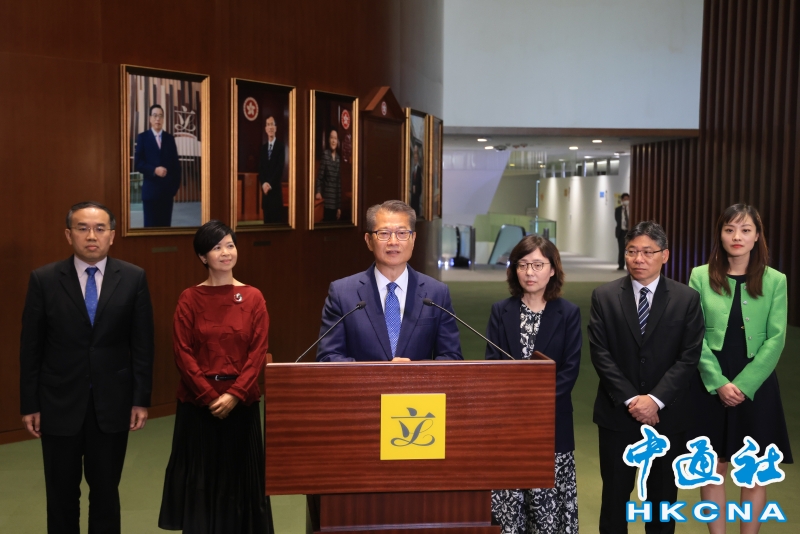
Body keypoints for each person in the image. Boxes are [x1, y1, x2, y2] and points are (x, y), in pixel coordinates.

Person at [20, 201, 155, 533]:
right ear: (69, 235)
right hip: (58, 404)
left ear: (112, 235)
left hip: (112, 404)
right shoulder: (44, 279)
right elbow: (31, 349)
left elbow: (142, 345)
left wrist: (140, 399)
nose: (91, 236)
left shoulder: (133, 278)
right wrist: (30, 404)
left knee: (106, 494)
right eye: (82, 228)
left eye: (99, 228)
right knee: (61, 495)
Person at [588, 220, 704, 534]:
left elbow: (689, 356)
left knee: (662, 501)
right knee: (615, 499)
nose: (638, 259)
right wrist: (632, 400)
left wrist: (655, 400)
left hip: (667, 416)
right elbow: (600, 353)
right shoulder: (604, 296)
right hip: (617, 414)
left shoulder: (686, 299)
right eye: (632, 251)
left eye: (647, 252)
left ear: (664, 255)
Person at [158, 220, 274, 533]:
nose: (226, 253)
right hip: (198, 405)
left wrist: (234, 394)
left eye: (230, 245)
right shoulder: (189, 298)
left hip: (242, 404)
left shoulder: (253, 297)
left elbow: (258, 352)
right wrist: (209, 397)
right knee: (201, 480)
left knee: (241, 479)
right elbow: (182, 353)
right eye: (217, 247)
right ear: (202, 256)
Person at [688, 204, 792, 534]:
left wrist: (744, 385)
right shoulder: (700, 276)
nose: (737, 236)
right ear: (720, 234)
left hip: (757, 385)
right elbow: (693, 335)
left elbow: (776, 338)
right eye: (729, 229)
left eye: (746, 230)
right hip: (710, 383)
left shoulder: (776, 280)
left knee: (755, 471)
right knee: (712, 469)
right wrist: (718, 382)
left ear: (757, 236)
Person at [485, 235, 581, 534]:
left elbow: (569, 370)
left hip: (551, 423)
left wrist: (535, 404)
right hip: (508, 425)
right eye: (522, 264)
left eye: (538, 265)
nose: (529, 272)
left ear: (552, 269)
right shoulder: (501, 311)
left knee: (547, 512)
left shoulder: (568, 313)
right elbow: (492, 365)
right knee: (509, 509)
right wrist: (514, 405)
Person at [316, 200, 462, 362]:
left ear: (413, 239)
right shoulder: (342, 294)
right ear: (369, 241)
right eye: (384, 233)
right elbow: (328, 357)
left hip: (417, 380)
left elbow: (452, 357)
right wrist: (380, 373)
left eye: (402, 233)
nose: (393, 242)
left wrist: (414, 371)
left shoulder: (436, 293)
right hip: (366, 380)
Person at [134, 104, 182, 227]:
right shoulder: (143, 138)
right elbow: (138, 163)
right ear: (150, 118)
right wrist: (154, 170)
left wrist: (173, 190)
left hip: (167, 195)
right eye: (155, 116)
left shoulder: (170, 139)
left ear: (163, 119)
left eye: (160, 116)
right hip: (150, 194)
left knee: (165, 230)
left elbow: (176, 167)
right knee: (150, 231)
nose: (158, 119)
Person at [258, 115, 285, 223]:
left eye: (272, 124)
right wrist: (264, 184)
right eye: (268, 125)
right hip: (266, 197)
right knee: (266, 227)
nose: (270, 127)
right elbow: (260, 169)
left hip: (276, 196)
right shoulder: (263, 148)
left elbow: (279, 168)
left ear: (275, 128)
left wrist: (269, 185)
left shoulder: (280, 147)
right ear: (266, 129)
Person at [315, 128, 341, 222]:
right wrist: (318, 192)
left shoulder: (338, 158)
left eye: (335, 138)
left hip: (335, 203)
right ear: (329, 140)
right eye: (331, 138)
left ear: (337, 141)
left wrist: (339, 207)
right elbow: (319, 178)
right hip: (326, 202)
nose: (333, 140)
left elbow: (338, 184)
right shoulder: (325, 155)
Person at [614, 193, 630, 270]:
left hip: (630, 232)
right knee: (621, 249)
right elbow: (617, 220)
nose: (626, 201)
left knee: (630, 249)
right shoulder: (618, 209)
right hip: (621, 231)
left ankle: (629, 265)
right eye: (625, 199)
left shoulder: (632, 208)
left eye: (627, 199)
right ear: (622, 200)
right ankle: (621, 265)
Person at [410, 144, 423, 216]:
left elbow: (419, 181)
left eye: (416, 155)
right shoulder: (413, 168)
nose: (415, 157)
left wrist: (417, 191)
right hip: (413, 192)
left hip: (417, 193)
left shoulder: (419, 168)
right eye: (414, 155)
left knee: (416, 208)